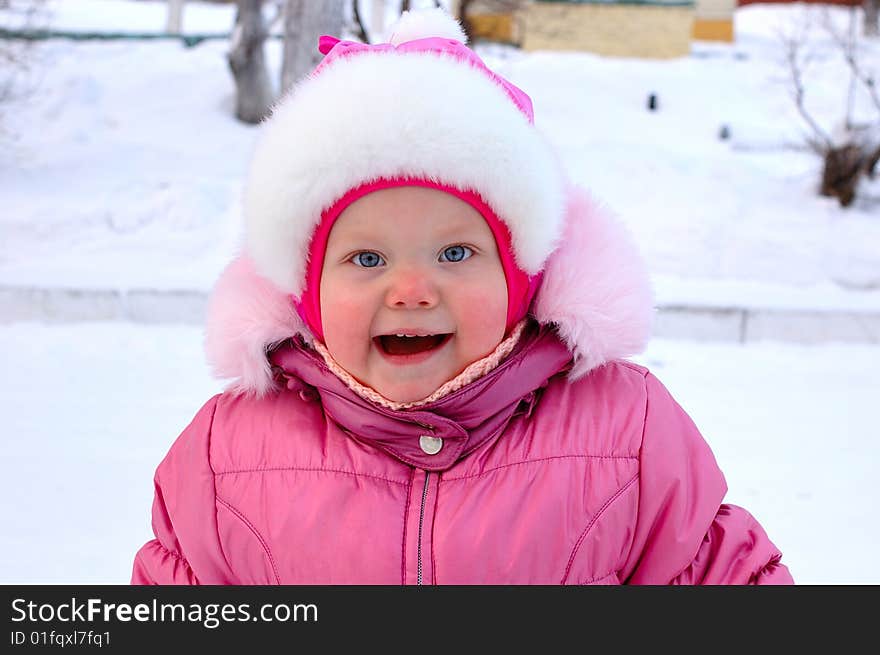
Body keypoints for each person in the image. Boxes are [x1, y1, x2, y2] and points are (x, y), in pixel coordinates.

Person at [131, 8, 793, 585]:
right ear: (305, 288)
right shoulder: (231, 449)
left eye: (456, 253)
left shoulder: (624, 428)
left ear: (522, 275)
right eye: (367, 257)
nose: (413, 290)